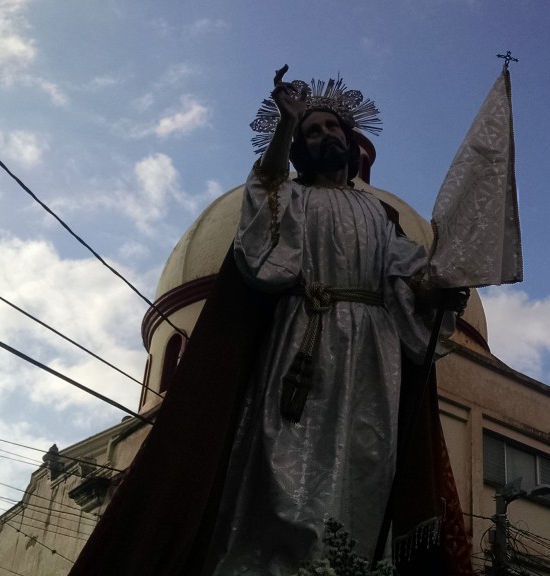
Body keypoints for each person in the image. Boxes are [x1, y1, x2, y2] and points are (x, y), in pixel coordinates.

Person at [68, 66, 472, 576]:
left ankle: (348, 560)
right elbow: (266, 217)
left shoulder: (383, 218)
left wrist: (441, 289)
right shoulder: (292, 197)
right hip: (306, 339)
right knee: (286, 460)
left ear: (351, 143)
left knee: (366, 463)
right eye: (314, 131)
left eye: (333, 129)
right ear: (299, 146)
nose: (326, 136)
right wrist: (287, 122)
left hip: (373, 356)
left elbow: (412, 279)